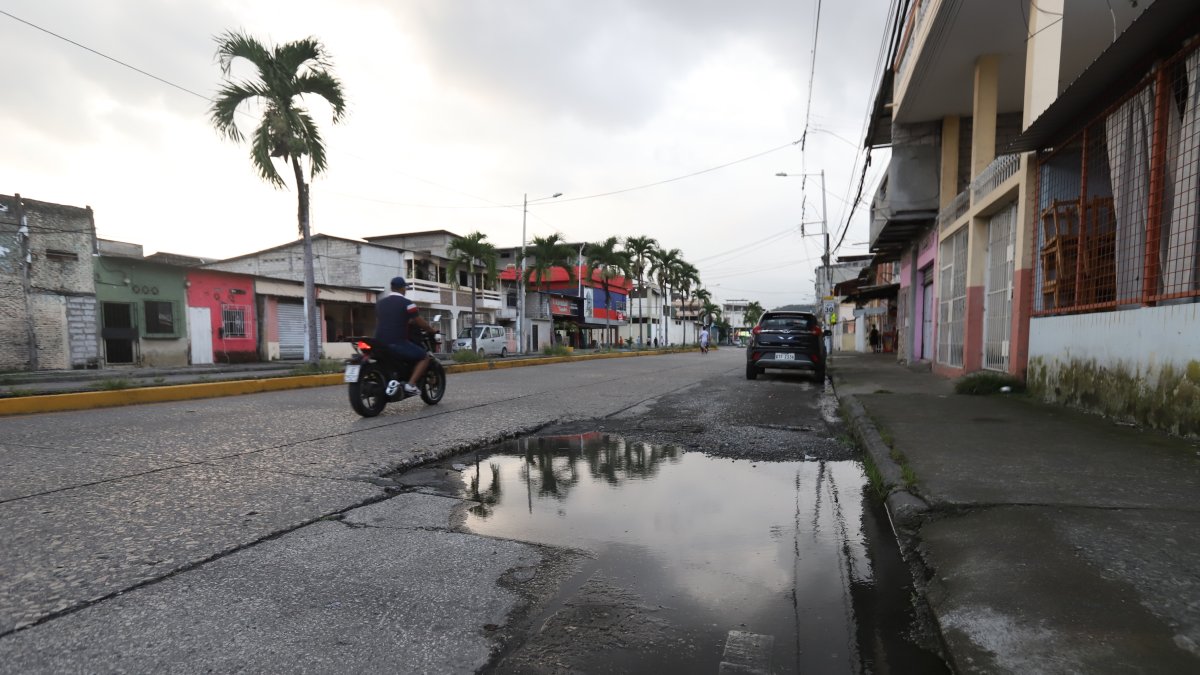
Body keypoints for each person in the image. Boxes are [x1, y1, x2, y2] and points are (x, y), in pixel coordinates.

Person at [375, 276, 436, 396]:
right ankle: (410, 385)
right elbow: (419, 321)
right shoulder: (408, 304)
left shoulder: (380, 304)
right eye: (405, 288)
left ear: (392, 288)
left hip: (379, 343)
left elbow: (387, 319)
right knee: (424, 357)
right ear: (403, 288)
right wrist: (431, 329)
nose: (405, 290)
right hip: (397, 342)